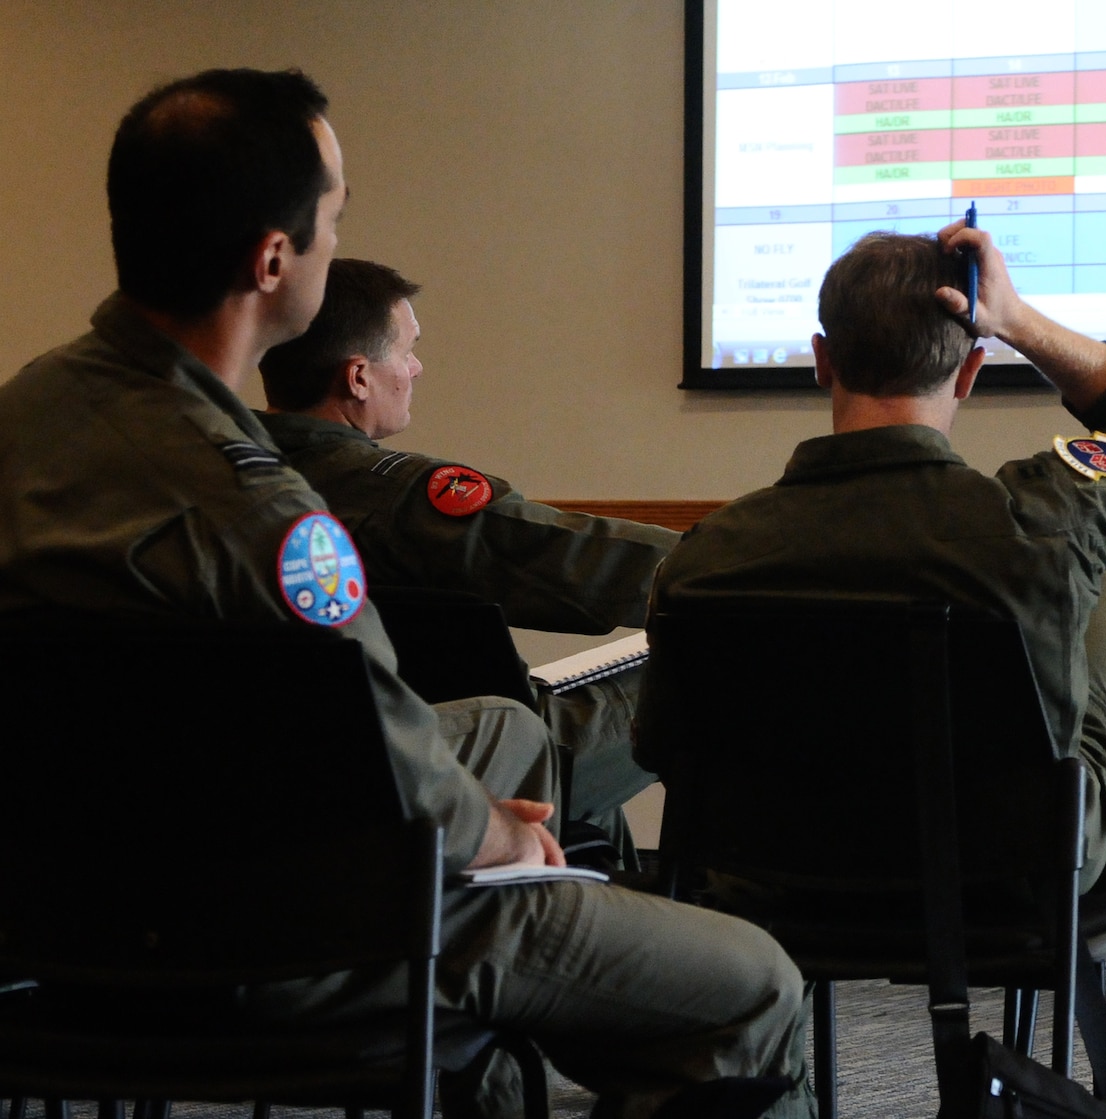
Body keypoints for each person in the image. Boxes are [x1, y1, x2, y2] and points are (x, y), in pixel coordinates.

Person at [0, 68, 810, 1118]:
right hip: (279, 930)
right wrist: (508, 840)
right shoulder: (260, 520)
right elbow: (409, 786)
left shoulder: (33, 414)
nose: (339, 243)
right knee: (751, 986)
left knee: (496, 732)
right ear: (272, 259)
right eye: (335, 220)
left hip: (60, 902)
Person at [650, 225, 1106, 1027]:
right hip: (1010, 874)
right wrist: (1015, 320)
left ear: (821, 359)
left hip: (768, 885)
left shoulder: (704, 559)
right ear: (971, 368)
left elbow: (663, 751)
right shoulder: (1038, 525)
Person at [258, 257, 674, 869]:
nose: (417, 367)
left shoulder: (233, 481)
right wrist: (738, 562)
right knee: (718, 651)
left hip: (316, 776)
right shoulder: (393, 496)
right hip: (471, 765)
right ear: (358, 378)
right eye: (406, 351)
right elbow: (573, 563)